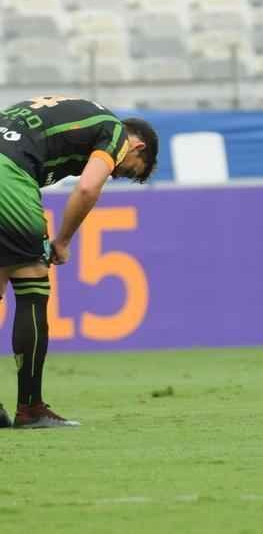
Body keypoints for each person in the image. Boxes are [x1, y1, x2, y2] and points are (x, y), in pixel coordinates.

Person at [0, 97, 157, 428]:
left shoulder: (79, 113)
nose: (114, 173)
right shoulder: (114, 131)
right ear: (137, 145)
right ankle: (30, 409)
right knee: (31, 281)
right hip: (8, 174)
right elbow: (87, 189)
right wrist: (63, 240)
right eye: (126, 169)